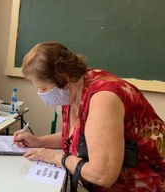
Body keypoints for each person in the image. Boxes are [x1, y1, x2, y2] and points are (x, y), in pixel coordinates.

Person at [14, 41, 165, 191]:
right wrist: (39, 141)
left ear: (63, 78)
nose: (42, 94)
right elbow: (78, 137)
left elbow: (103, 175)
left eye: (44, 88)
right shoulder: (72, 89)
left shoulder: (103, 98)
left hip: (149, 183)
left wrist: (53, 157)